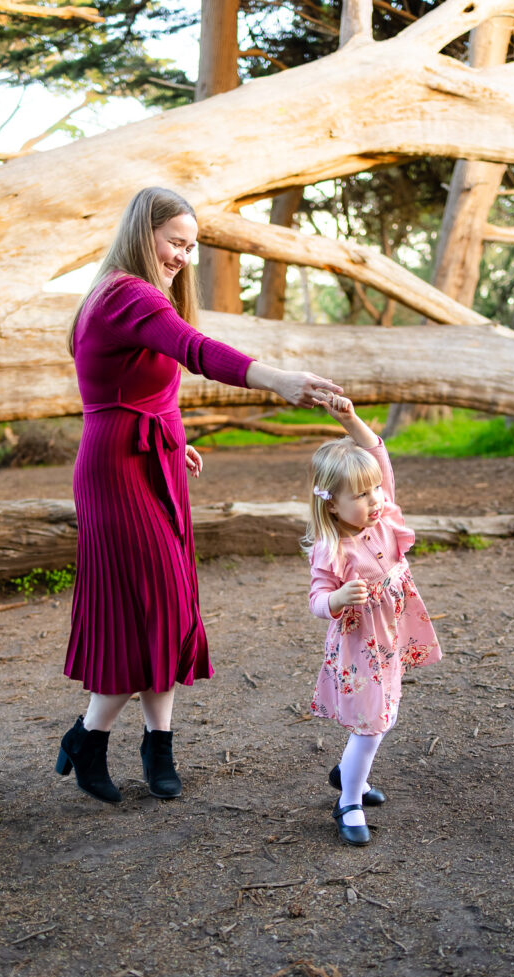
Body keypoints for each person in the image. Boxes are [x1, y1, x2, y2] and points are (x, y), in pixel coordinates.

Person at [56, 185, 342, 805]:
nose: (184, 255)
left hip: (149, 456)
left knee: (171, 606)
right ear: (143, 234)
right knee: (149, 607)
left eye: (192, 245)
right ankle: (89, 735)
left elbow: (139, 386)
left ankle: (158, 745)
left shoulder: (135, 294)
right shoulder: (125, 293)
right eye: (175, 242)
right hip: (118, 467)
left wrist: (168, 439)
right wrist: (278, 380)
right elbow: (197, 352)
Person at [305, 394, 442, 845]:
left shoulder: (385, 518)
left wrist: (350, 420)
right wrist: (339, 597)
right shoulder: (333, 548)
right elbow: (317, 599)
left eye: (376, 489)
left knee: (383, 714)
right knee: (373, 723)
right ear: (332, 505)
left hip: (390, 636)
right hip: (361, 643)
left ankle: (351, 776)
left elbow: (379, 458)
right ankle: (348, 801)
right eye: (361, 495)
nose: (376, 499)